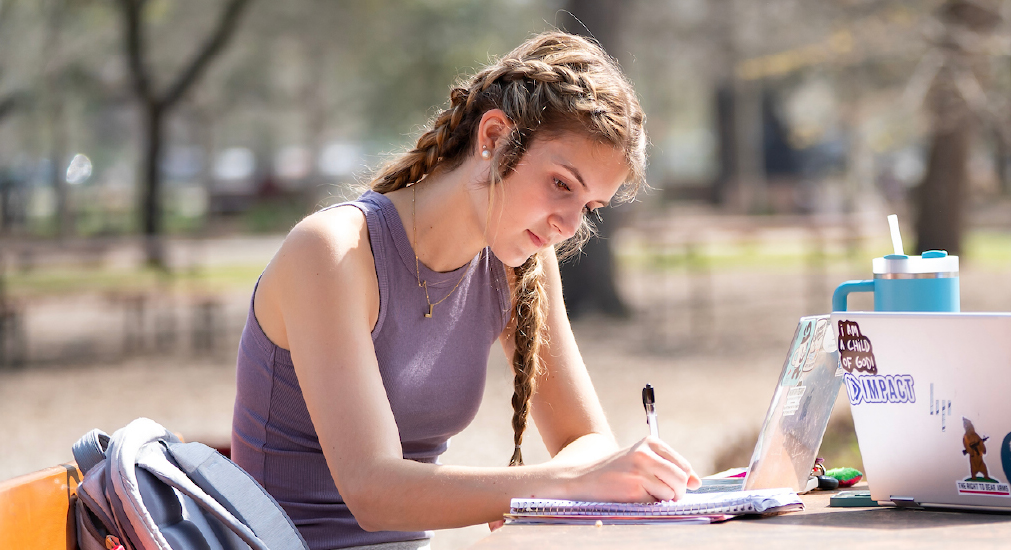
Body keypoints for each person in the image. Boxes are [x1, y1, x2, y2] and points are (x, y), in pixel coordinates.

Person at [231, 32, 700, 550]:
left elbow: (585, 440)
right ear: (495, 137)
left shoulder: (520, 260)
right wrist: (557, 485)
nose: (568, 225)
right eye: (562, 185)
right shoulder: (333, 252)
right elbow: (373, 491)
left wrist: (571, 481)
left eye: (589, 206)